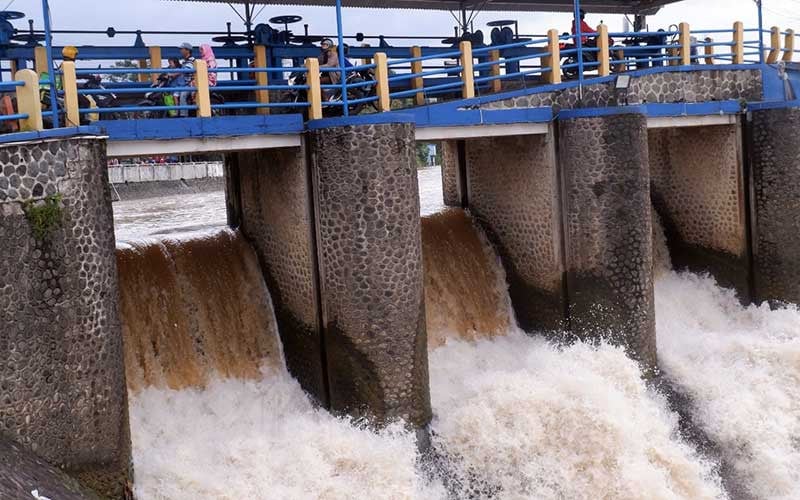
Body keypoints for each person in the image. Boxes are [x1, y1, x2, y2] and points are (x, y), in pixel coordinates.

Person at [177, 42, 195, 117]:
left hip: (190, 84)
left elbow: (186, 70)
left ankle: (184, 115)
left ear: (187, 50)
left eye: (182, 49)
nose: (180, 50)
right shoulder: (184, 61)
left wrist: (174, 73)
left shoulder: (191, 60)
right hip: (183, 84)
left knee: (183, 95)